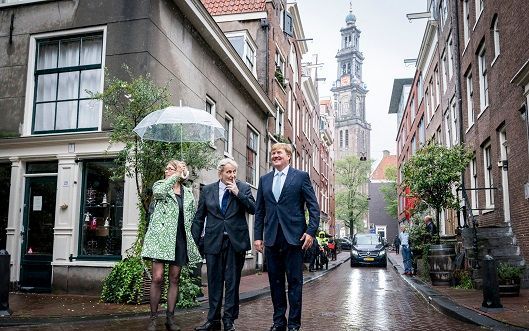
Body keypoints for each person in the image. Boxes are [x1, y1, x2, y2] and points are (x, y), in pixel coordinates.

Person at [254, 143, 320, 331]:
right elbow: (259, 211)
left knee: (294, 283)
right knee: (275, 283)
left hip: (295, 238)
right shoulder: (264, 180)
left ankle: (293, 324)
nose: (275, 155)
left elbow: (313, 207)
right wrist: (258, 236)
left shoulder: (300, 177)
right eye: (273, 153)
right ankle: (278, 321)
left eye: (279, 153)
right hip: (272, 238)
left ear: (288, 156)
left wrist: (311, 232)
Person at [191, 158, 255, 331]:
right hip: (213, 241)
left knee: (232, 282)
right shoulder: (209, 190)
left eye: (234, 172)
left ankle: (229, 320)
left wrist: (237, 193)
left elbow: (253, 208)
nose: (232, 175)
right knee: (214, 281)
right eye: (228, 172)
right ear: (220, 173)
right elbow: (199, 217)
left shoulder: (243, 187)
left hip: (235, 242)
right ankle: (213, 320)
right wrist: (193, 242)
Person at [142, 160, 202, 331]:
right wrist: (174, 175)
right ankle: (153, 319)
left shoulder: (188, 193)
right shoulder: (160, 185)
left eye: (171, 168)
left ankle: (170, 318)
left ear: (180, 171)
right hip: (161, 239)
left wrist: (192, 238)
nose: (166, 170)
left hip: (180, 239)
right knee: (158, 278)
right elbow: (159, 192)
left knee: (174, 279)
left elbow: (191, 217)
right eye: (166, 168)